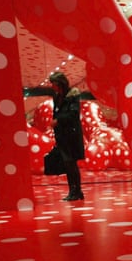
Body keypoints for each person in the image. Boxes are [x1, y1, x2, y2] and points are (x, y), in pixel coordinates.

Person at [49, 72, 85, 201]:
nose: (51, 86)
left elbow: (73, 114)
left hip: (71, 135)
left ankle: (76, 191)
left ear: (59, 83)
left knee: (71, 164)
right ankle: (73, 191)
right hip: (62, 136)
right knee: (68, 164)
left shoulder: (72, 95)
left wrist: (58, 121)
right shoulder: (57, 97)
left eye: (53, 83)